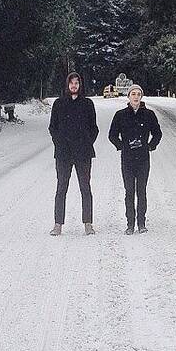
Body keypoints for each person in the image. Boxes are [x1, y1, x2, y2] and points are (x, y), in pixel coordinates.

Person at [49, 72, 99, 236]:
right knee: (61, 188)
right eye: (71, 83)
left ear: (81, 85)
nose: (74, 86)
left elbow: (94, 128)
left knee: (85, 188)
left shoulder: (88, 104)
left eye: (77, 83)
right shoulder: (58, 104)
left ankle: (88, 223)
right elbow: (52, 127)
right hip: (63, 153)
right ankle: (58, 224)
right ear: (67, 84)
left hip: (83, 153)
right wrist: (59, 142)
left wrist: (87, 142)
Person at [109, 84, 162, 234]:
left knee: (142, 191)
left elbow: (157, 133)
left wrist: (150, 146)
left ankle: (141, 223)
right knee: (129, 191)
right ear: (128, 96)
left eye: (138, 94)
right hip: (127, 158)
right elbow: (112, 135)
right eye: (133, 94)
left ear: (141, 96)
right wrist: (122, 146)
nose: (136, 96)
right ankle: (130, 224)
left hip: (143, 158)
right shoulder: (120, 115)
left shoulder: (149, 115)